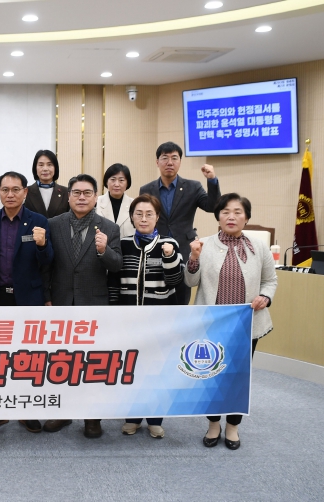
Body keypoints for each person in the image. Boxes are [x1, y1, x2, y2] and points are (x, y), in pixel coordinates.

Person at [185, 193, 277, 451]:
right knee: (211, 375)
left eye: (237, 212)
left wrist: (265, 296)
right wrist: (193, 258)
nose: (231, 217)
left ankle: (233, 426)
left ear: (246, 218)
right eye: (225, 212)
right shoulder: (203, 244)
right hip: (211, 324)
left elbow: (270, 280)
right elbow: (190, 282)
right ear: (218, 217)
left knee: (238, 377)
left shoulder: (259, 247)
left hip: (246, 324)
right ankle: (213, 424)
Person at [42, 174, 122, 439]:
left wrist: (103, 251)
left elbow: (117, 266)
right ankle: (63, 412)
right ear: (68, 196)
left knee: (91, 363)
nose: (81, 197)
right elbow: (46, 264)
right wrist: (46, 296)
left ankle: (92, 417)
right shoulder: (53, 224)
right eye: (76, 193)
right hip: (61, 302)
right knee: (61, 360)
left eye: (87, 193)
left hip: (94, 304)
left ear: (96, 197)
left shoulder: (109, 228)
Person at [0, 171, 53, 434]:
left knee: (27, 357)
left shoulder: (39, 221)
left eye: (15, 190)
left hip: (28, 298)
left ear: (25, 192)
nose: (10, 195)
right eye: (5, 189)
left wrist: (42, 245)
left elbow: (48, 262)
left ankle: (26, 411)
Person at [107, 194, 183, 439]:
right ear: (131, 217)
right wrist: (114, 314)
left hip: (159, 322)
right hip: (129, 321)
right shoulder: (123, 243)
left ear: (157, 217)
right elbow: (113, 280)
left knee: (156, 370)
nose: (143, 218)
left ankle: (155, 420)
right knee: (131, 369)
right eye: (138, 214)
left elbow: (176, 281)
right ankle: (132, 417)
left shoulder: (169, 243)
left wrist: (169, 257)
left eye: (149, 214)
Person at [139, 141, 220, 304]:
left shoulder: (193, 186)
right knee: (154, 297)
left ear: (180, 162)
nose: (170, 162)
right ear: (157, 162)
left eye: (174, 158)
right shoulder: (146, 189)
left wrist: (212, 180)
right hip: (155, 250)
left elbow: (212, 207)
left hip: (183, 250)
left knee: (181, 300)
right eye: (165, 158)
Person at [24, 150, 69, 218]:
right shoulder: (26, 192)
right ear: (35, 168)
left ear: (55, 168)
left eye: (49, 165)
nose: (45, 169)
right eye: (41, 165)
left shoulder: (66, 192)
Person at [96, 163, 135, 239]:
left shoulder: (134, 204)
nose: (117, 184)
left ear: (127, 183)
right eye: (113, 180)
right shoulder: (96, 202)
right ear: (106, 182)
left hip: (126, 246)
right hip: (102, 245)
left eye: (121, 180)